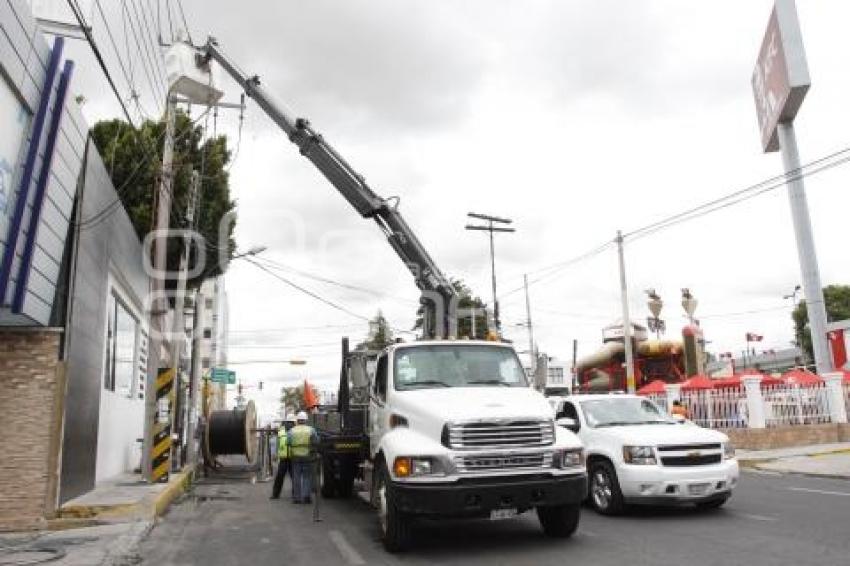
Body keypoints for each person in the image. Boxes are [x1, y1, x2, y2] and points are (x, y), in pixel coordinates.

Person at [287, 411, 319, 504]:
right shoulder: (311, 430)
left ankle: (297, 498)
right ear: (305, 420)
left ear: (297, 420)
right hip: (307, 456)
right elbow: (316, 441)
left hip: (295, 456)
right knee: (307, 476)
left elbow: (288, 442)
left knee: (296, 477)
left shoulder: (292, 430)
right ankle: (306, 497)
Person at [270, 415, 297, 500]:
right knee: (294, 477)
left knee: (280, 477)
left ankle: (275, 494)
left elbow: (277, 443)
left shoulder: (281, 430)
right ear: (294, 422)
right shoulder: (295, 430)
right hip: (293, 456)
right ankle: (295, 494)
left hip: (283, 457)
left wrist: (274, 454)